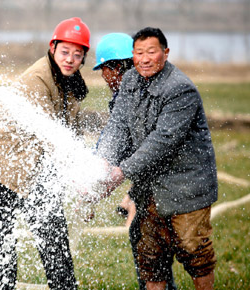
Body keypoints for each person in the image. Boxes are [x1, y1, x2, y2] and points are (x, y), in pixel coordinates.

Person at [0, 17, 90, 289]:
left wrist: (87, 183)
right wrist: (79, 176)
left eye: (77, 55)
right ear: (52, 48)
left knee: (53, 229)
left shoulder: (70, 81)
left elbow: (72, 135)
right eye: (65, 52)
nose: (70, 59)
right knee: (2, 239)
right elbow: (52, 138)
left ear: (83, 58)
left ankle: (64, 286)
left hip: (28, 163)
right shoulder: (37, 78)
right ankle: (2, 286)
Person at [95, 27, 218, 290]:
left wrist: (120, 171)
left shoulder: (180, 89)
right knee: (150, 256)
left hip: (185, 187)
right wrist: (103, 161)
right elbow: (118, 126)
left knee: (195, 252)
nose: (145, 58)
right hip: (149, 188)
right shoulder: (130, 82)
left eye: (152, 51)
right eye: (139, 52)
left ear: (165, 52)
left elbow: (161, 142)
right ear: (133, 55)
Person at [93, 32, 136, 227]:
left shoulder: (130, 97)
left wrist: (100, 166)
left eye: (103, 70)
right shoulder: (134, 91)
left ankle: (132, 215)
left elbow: (120, 142)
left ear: (117, 68)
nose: (103, 76)